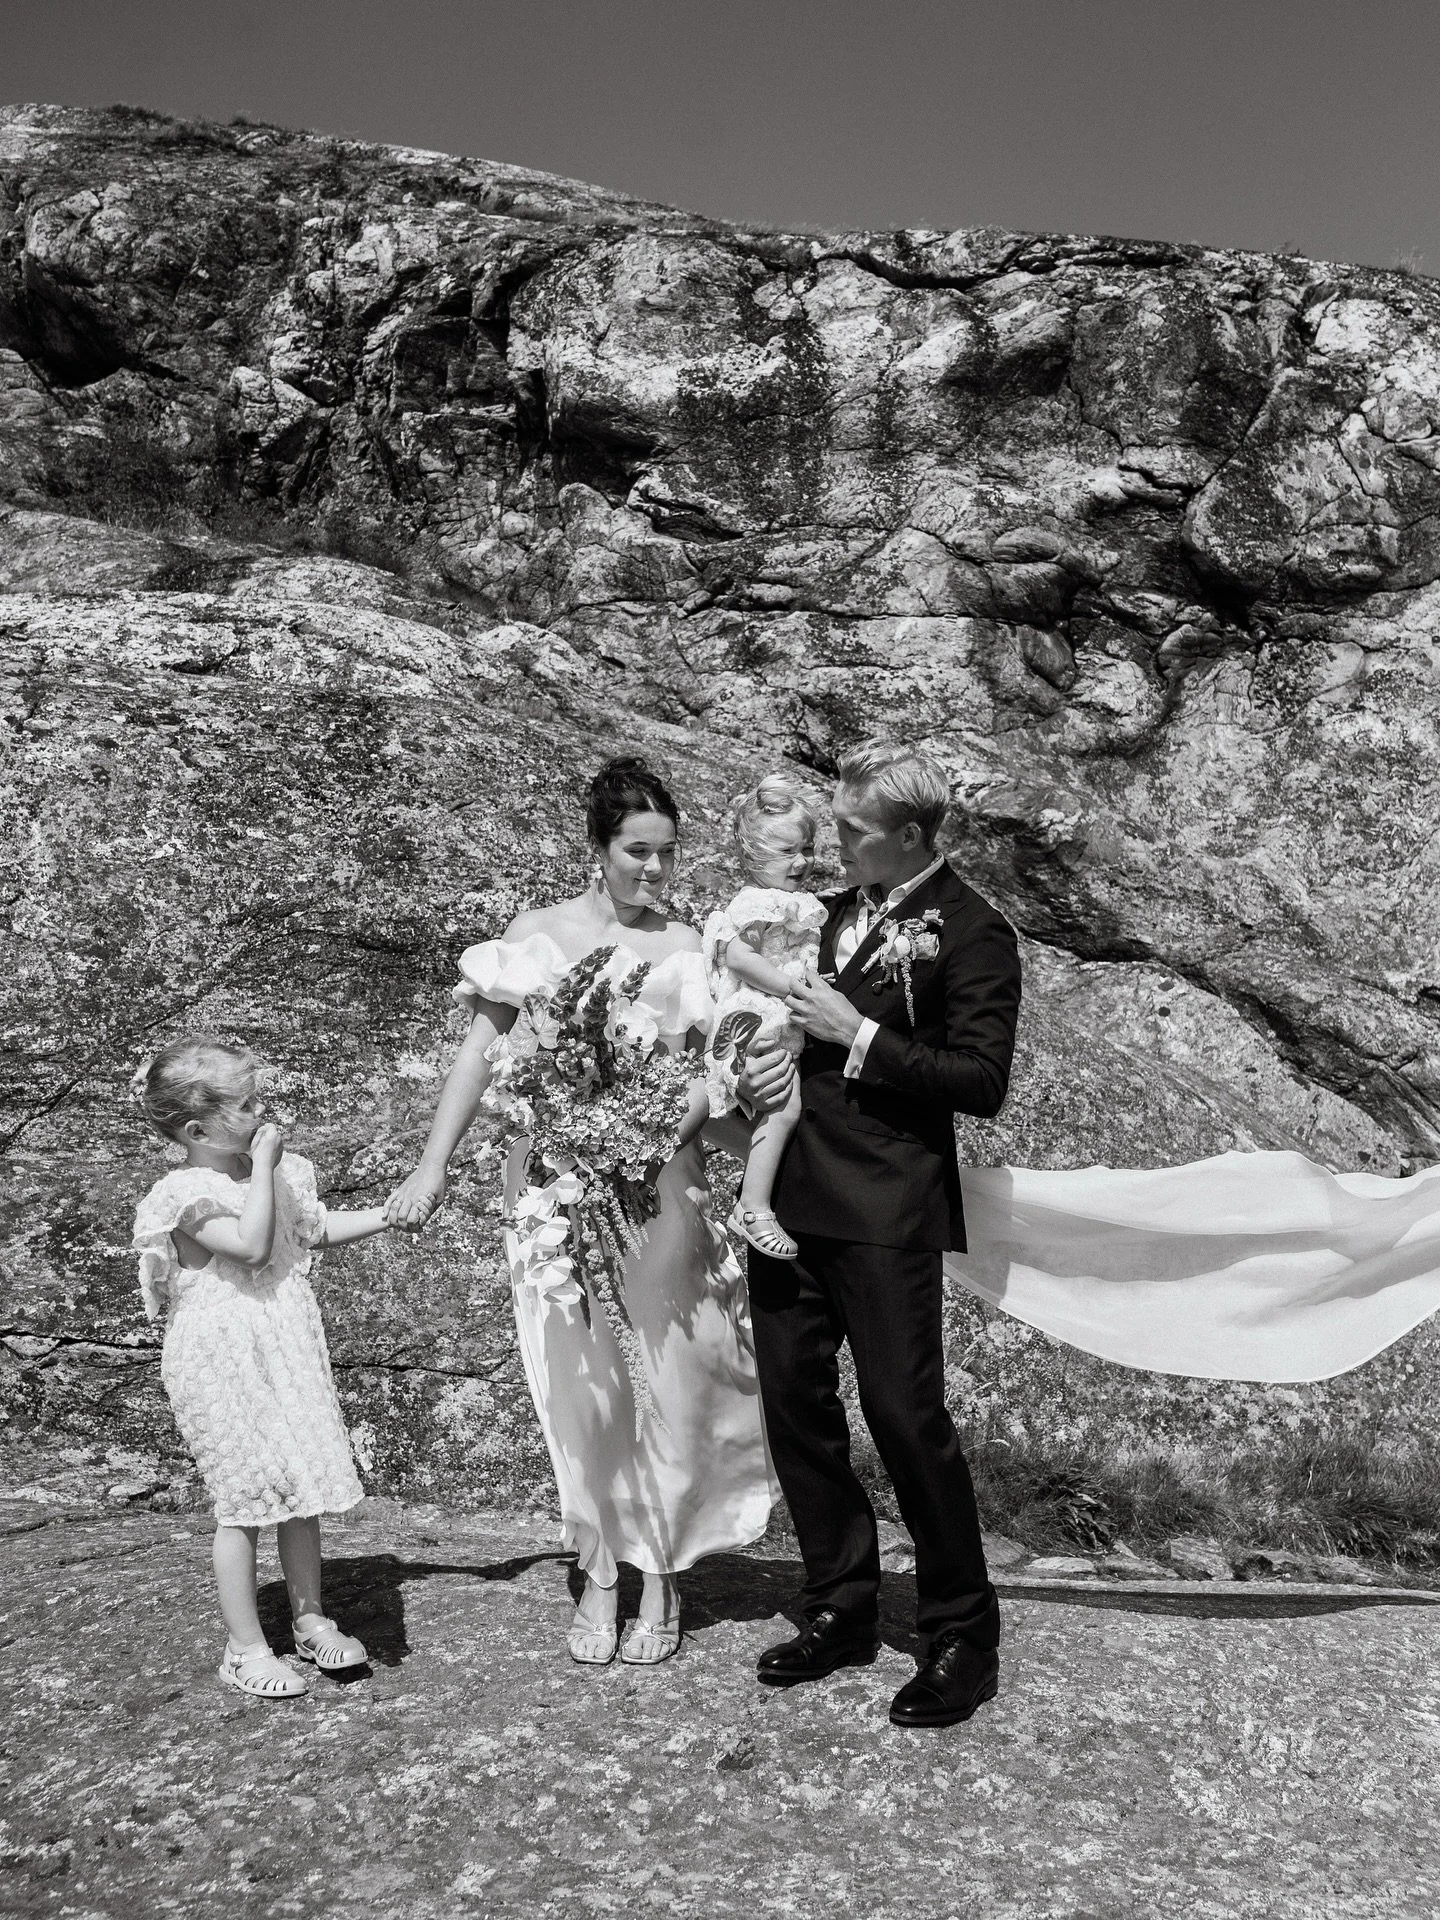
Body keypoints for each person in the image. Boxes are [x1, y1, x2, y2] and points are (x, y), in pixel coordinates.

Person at [385, 755, 773, 1666]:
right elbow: (480, 1060)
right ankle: (601, 1570)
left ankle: (661, 1578)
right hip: (552, 1193)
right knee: (583, 1388)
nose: (655, 871)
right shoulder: (539, 935)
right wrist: (431, 1168)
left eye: (668, 854)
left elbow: (715, 1082)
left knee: (668, 1381)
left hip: (662, 1194)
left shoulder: (688, 947)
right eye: (637, 852)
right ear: (596, 848)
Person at [739, 738, 1022, 1729]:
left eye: (854, 831)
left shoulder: (976, 932)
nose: (837, 840)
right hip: (786, 1198)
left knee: (906, 1417)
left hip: (889, 1206)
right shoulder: (815, 916)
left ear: (907, 837)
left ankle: (960, 1633)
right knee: (796, 1406)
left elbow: (980, 1083)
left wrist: (854, 1036)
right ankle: (839, 1607)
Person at [131, 1037, 405, 1699]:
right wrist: (263, 1170)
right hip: (219, 1358)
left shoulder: (285, 1174)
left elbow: (304, 1232)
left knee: (300, 1486)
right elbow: (250, 1248)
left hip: (282, 1345)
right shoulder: (183, 1194)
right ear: (197, 1131)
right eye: (246, 1105)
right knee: (244, 1499)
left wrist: (391, 1215)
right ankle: (245, 1646)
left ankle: (311, 1620)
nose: (262, 1112)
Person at [702, 774, 828, 1263]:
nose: (801, 862)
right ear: (753, 856)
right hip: (757, 1017)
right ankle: (752, 1207)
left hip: (776, 1016)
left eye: (808, 849)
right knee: (785, 1109)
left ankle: (759, 1196)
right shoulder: (757, 902)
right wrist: (795, 988)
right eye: (786, 852)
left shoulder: (792, 901)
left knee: (779, 1110)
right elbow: (738, 956)